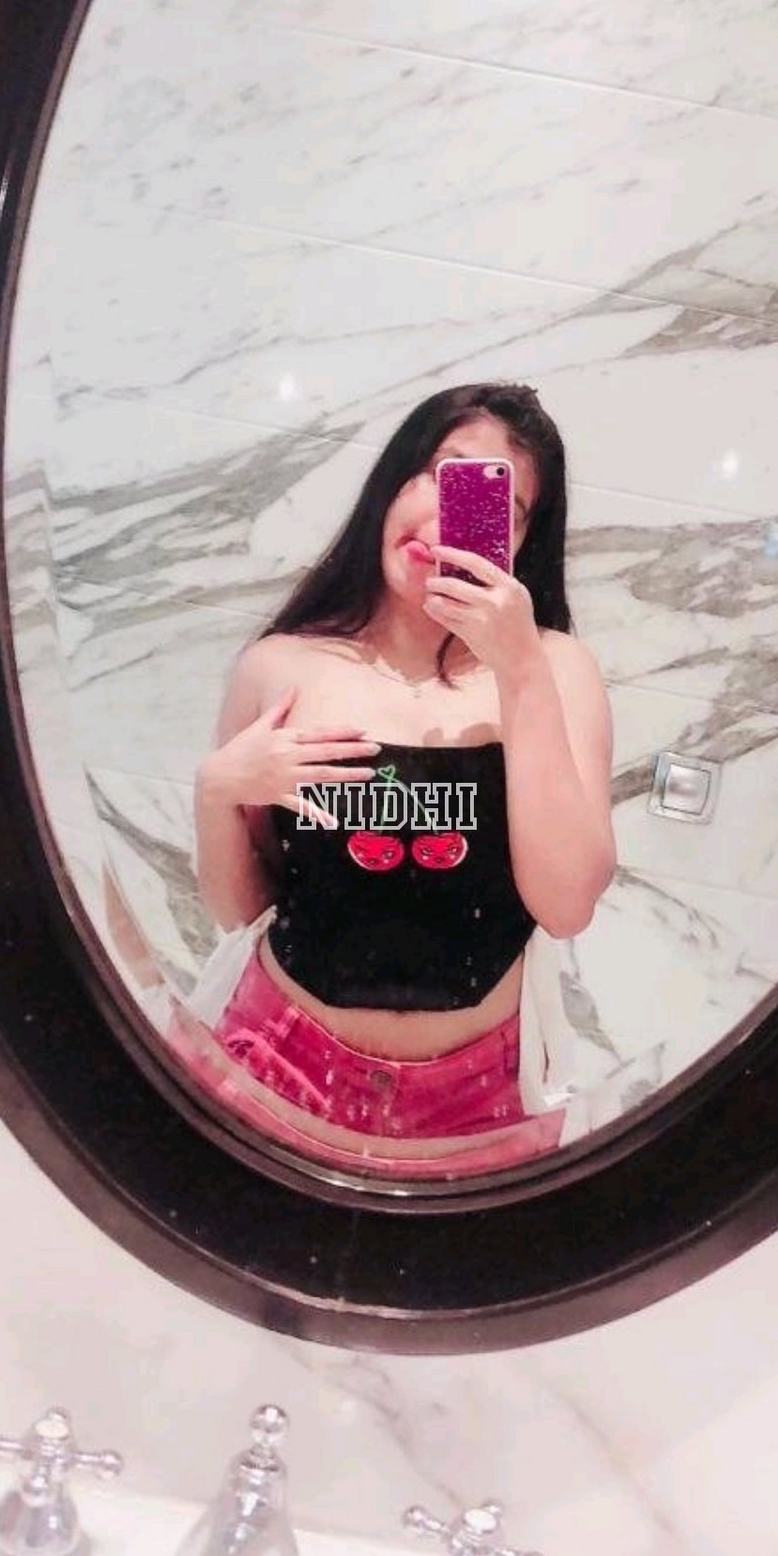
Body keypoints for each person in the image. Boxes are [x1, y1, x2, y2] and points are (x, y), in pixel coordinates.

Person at [190, 382, 616, 1148]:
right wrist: (215, 791)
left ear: (521, 542)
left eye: (496, 503)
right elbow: (240, 908)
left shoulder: (555, 668)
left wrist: (519, 668)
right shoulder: (279, 665)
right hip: (274, 1057)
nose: (448, 516)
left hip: (478, 1090)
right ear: (391, 481)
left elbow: (565, 906)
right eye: (439, 473)